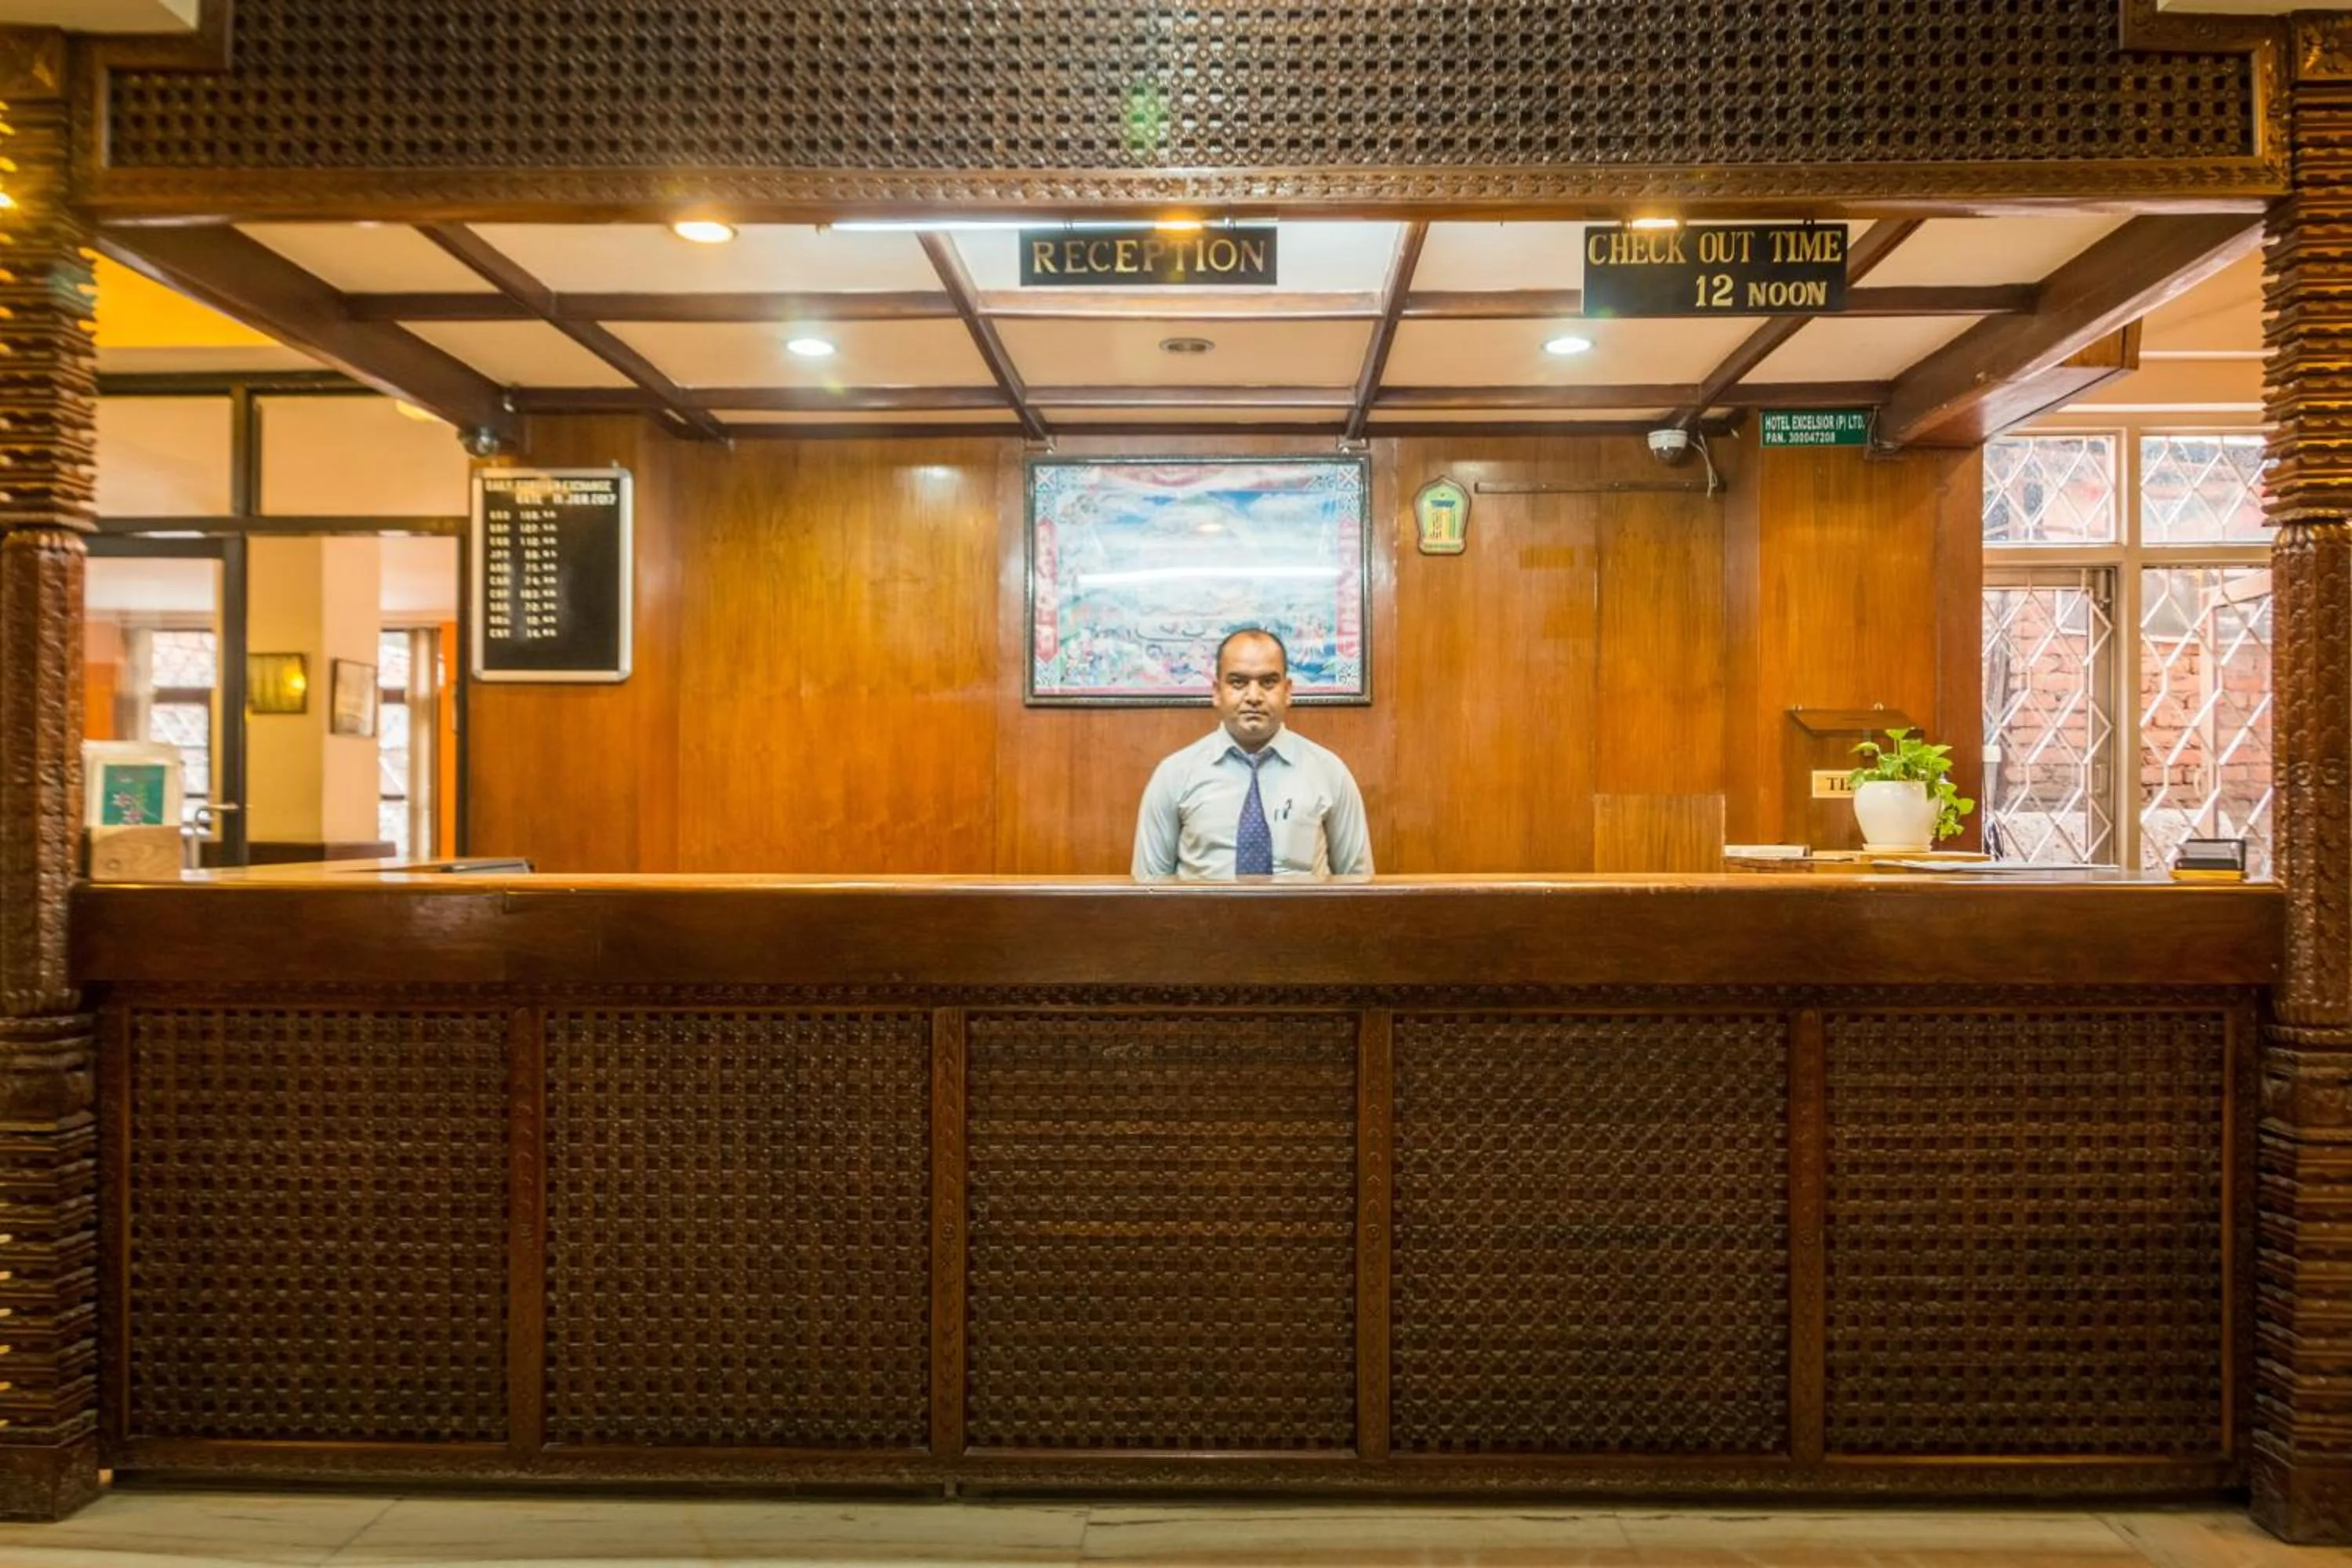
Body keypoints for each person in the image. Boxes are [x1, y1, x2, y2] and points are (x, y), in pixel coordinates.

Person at [1131, 626, 1374, 879]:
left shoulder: (1328, 771)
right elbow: (1150, 884)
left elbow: (1357, 881)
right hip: (1204, 918)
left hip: (1303, 919)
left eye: (1268, 682)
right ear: (1216, 692)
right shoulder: (1175, 774)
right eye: (1238, 682)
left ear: (1288, 691)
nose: (1254, 696)